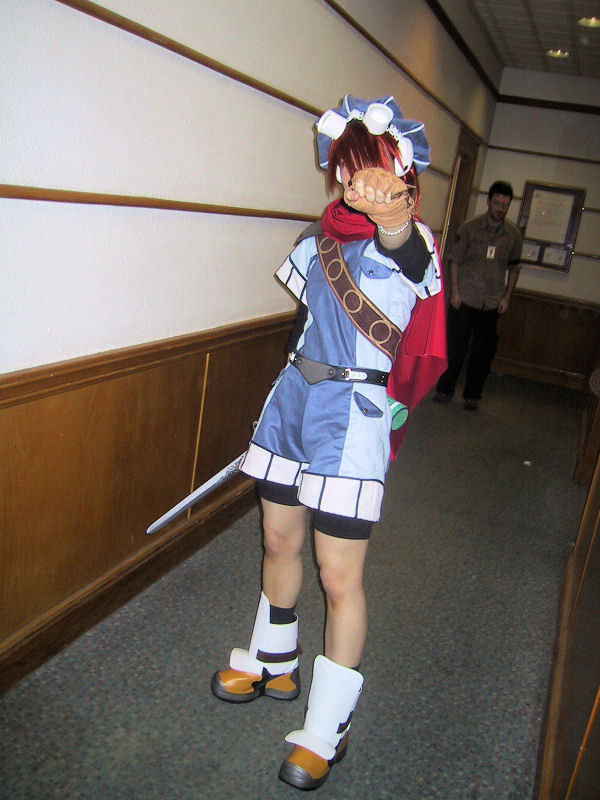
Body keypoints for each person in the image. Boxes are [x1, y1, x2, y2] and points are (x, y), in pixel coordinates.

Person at [211, 95, 446, 791]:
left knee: (339, 575)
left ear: (399, 172)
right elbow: (304, 326)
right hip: (293, 403)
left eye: (369, 166)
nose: (354, 180)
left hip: (352, 417)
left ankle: (328, 728)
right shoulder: (314, 240)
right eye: (346, 167)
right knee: (277, 540)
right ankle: (273, 661)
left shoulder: (413, 239)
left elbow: (406, 252)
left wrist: (393, 214)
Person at [434, 180, 522, 410]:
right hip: (464, 298)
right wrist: (454, 291)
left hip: (491, 302)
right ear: (489, 202)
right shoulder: (470, 228)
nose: (500, 209)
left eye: (505, 205)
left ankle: (472, 396)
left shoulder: (512, 234)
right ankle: (444, 390)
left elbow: (514, 268)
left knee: (482, 354)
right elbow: (454, 261)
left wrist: (507, 297)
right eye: (497, 203)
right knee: (455, 349)